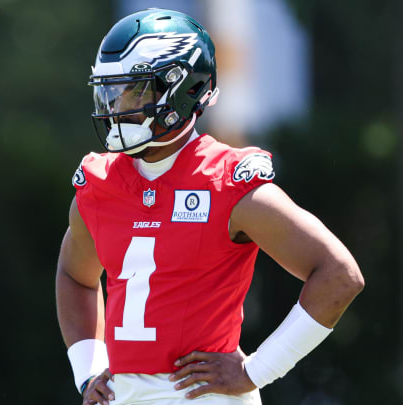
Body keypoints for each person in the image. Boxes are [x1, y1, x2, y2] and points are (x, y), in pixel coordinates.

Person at [55, 8, 364, 405]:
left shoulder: (228, 181)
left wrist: (257, 370)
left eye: (133, 90)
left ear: (180, 90)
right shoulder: (100, 184)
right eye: (110, 91)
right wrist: (88, 369)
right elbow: (74, 275)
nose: (116, 106)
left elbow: (340, 275)